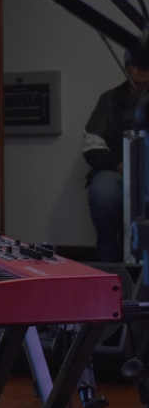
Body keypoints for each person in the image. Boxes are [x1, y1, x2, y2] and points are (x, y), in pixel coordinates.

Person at [83, 50, 149, 262]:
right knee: (102, 190)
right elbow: (92, 145)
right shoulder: (110, 100)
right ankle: (108, 257)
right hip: (119, 173)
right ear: (126, 67)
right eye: (136, 64)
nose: (141, 70)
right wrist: (119, 165)